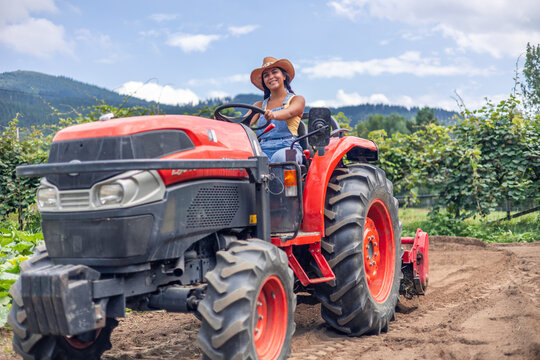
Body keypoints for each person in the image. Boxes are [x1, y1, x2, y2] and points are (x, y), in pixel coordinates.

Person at [249, 57, 305, 164]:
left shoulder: (297, 99)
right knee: (249, 157)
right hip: (262, 149)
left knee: (282, 158)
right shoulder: (259, 106)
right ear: (264, 81)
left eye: (274, 72)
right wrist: (223, 120)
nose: (271, 77)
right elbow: (243, 121)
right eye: (266, 75)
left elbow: (289, 112)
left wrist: (273, 115)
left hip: (290, 147)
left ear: (284, 76)